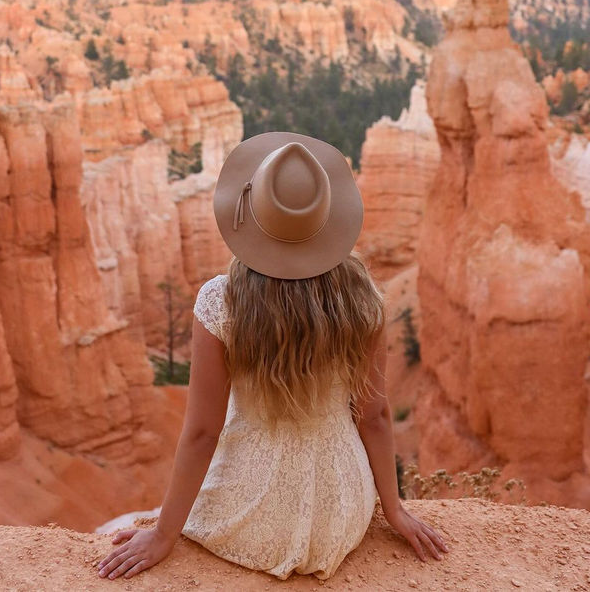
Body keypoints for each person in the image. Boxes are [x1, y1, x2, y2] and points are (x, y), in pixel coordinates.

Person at [98, 132, 449, 582]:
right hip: (340, 513)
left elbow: (203, 433)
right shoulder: (364, 302)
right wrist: (394, 509)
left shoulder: (221, 302)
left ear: (250, 217)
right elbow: (374, 416)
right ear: (330, 220)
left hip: (247, 513)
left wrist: (164, 534)